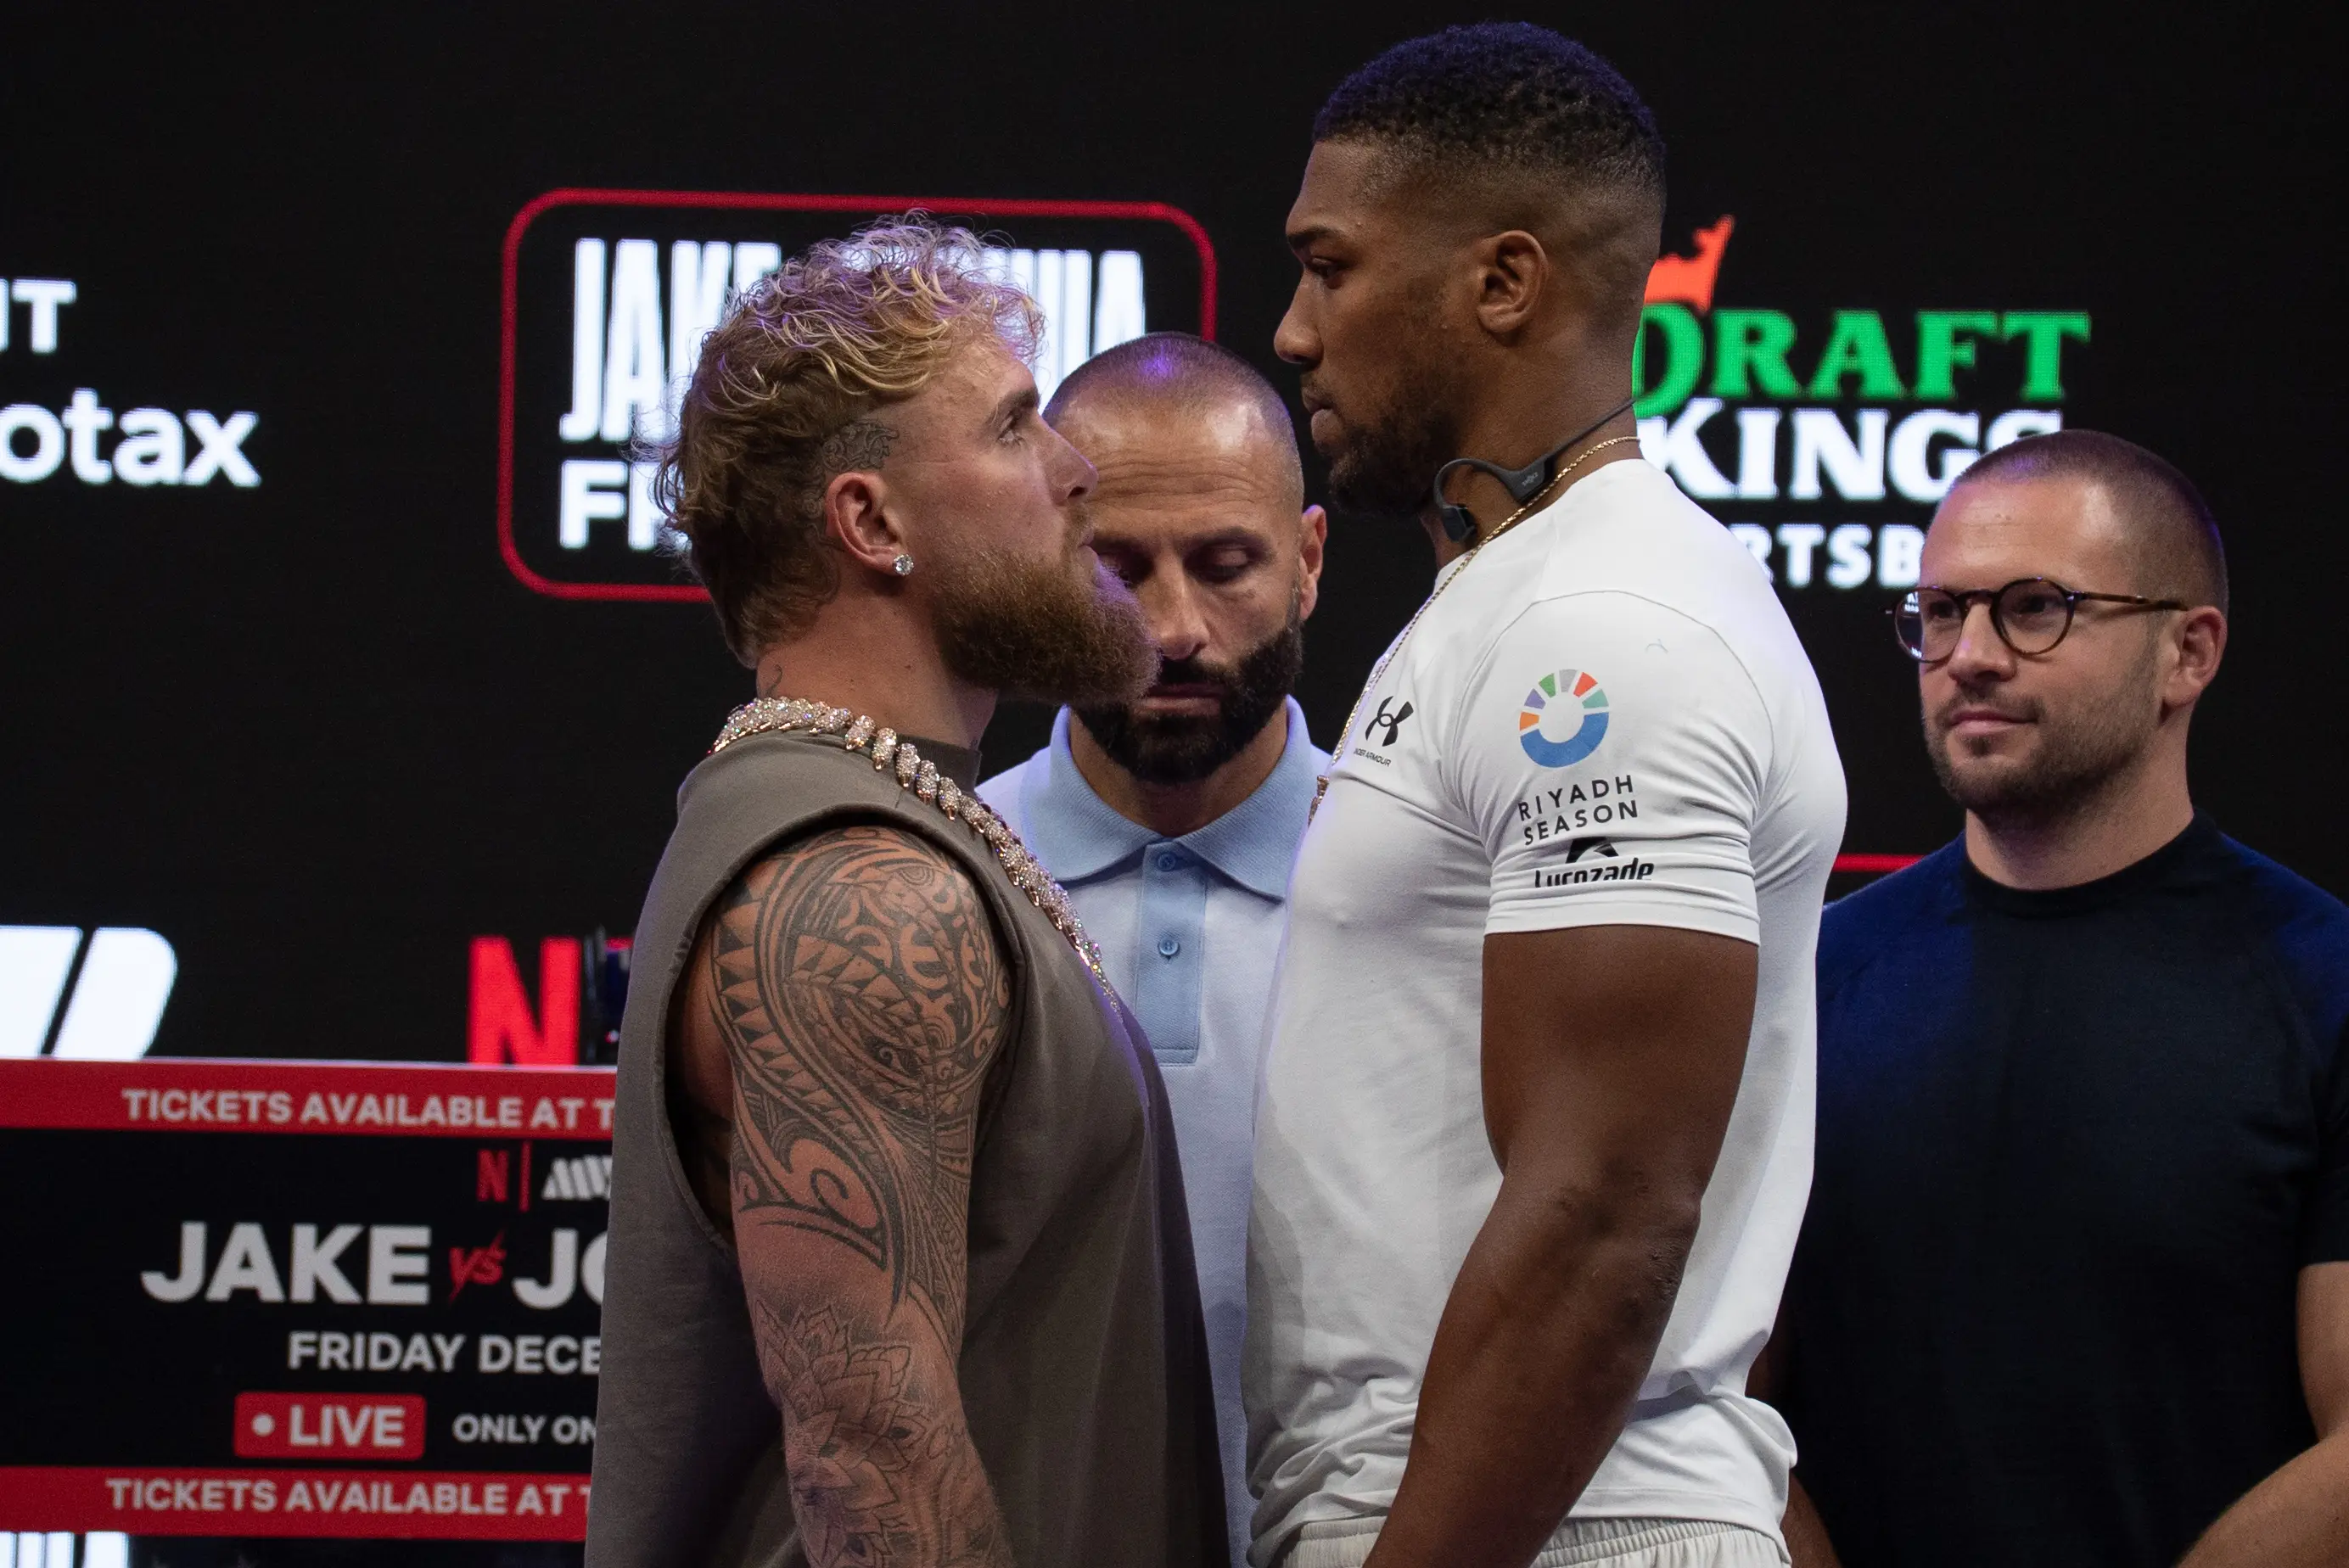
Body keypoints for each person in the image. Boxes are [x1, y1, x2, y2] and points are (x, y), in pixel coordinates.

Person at [1245, 25, 1844, 1568]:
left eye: (1331, 266)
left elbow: (1609, 1215)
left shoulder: (1606, 635)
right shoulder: (1509, 601)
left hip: (1559, 1532)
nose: (1293, 330)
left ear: (1504, 283)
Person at [586, 220, 1225, 1568]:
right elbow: (868, 1456)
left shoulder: (904, 830)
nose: (1075, 470)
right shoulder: (856, 884)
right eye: (1011, 430)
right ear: (871, 521)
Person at [1772, 430, 2349, 1568]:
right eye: (1940, 613)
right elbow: (1723, 1406)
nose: (1969, 655)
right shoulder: (1809, 981)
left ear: (2188, 653)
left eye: (2035, 608)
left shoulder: (2323, 987)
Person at [978, 331, 1330, 1568]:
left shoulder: (1422, 882)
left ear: (1310, 562)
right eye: (1118, 565)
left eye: (1227, 563)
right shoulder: (942, 877)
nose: (1173, 627)